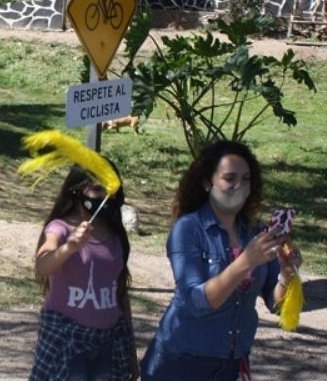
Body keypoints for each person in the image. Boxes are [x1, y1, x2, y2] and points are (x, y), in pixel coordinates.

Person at [140, 140, 303, 381]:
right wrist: (246, 261)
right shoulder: (188, 229)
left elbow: (275, 305)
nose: (240, 186)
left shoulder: (256, 233)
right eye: (229, 178)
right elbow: (197, 301)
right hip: (181, 363)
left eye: (246, 179)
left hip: (232, 364)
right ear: (208, 182)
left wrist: (286, 276)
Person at [29, 161, 138, 381]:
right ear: (76, 191)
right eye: (97, 189)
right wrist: (69, 247)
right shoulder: (60, 228)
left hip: (108, 342)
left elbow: (120, 293)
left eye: (109, 189)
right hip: (67, 340)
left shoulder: (115, 234)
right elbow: (42, 266)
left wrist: (131, 354)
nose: (104, 196)